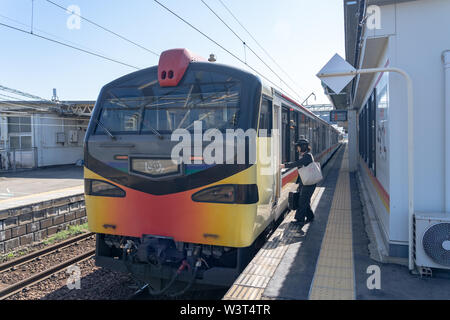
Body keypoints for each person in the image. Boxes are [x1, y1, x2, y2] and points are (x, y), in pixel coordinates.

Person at [280, 138, 316, 226]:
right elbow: (298, 163)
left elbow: (297, 163)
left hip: (308, 184)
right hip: (306, 183)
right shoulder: (306, 155)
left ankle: (300, 220)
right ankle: (310, 216)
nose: (297, 149)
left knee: (302, 201)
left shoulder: (307, 156)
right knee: (305, 201)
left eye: (298, 147)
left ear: (303, 147)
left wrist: (284, 165)